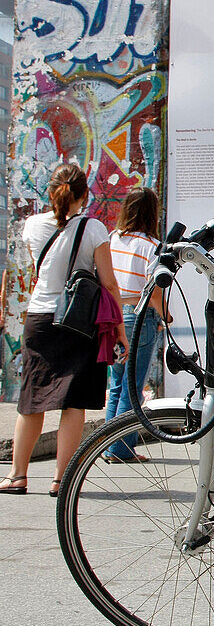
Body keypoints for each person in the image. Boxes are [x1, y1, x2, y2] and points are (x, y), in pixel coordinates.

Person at [0, 164, 128, 496]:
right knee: (73, 404)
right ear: (85, 194)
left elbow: (40, 270)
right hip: (77, 323)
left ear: (52, 191)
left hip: (40, 320)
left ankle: (17, 477)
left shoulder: (31, 225)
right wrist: (119, 332)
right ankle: (62, 480)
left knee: (32, 401)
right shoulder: (95, 228)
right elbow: (109, 283)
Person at [103, 186, 172, 463]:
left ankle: (109, 445)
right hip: (139, 315)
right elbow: (155, 291)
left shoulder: (112, 239)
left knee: (117, 383)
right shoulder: (152, 246)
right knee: (134, 386)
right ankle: (121, 449)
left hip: (115, 315)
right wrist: (166, 316)